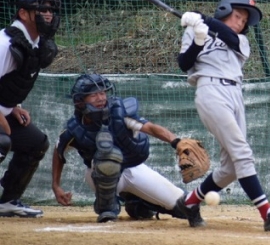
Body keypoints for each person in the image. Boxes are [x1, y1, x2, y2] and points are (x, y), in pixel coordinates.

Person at [175, 0, 270, 233]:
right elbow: (184, 63)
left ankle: (189, 202)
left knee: (230, 168)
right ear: (224, 10)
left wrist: (203, 19)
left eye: (244, 21)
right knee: (242, 153)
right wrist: (198, 38)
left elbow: (227, 36)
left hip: (235, 94)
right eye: (237, 16)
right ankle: (268, 214)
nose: (240, 23)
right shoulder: (194, 30)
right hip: (210, 91)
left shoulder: (240, 41)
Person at [51, 73, 196, 223]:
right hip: (98, 174)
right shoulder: (74, 129)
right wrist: (56, 185)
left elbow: (151, 128)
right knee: (107, 157)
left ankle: (138, 203)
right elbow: (58, 152)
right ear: (80, 101)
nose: (101, 98)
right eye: (93, 95)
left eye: (102, 92)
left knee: (185, 205)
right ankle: (107, 208)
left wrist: (176, 142)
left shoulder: (119, 113)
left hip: (132, 169)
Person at [0, 0, 61, 218]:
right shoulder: (5, 44)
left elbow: (9, 82)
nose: (48, 14)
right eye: (41, 10)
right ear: (23, 13)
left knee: (35, 143)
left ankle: (8, 201)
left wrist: (13, 107)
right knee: (1, 140)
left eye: (50, 10)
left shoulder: (34, 43)